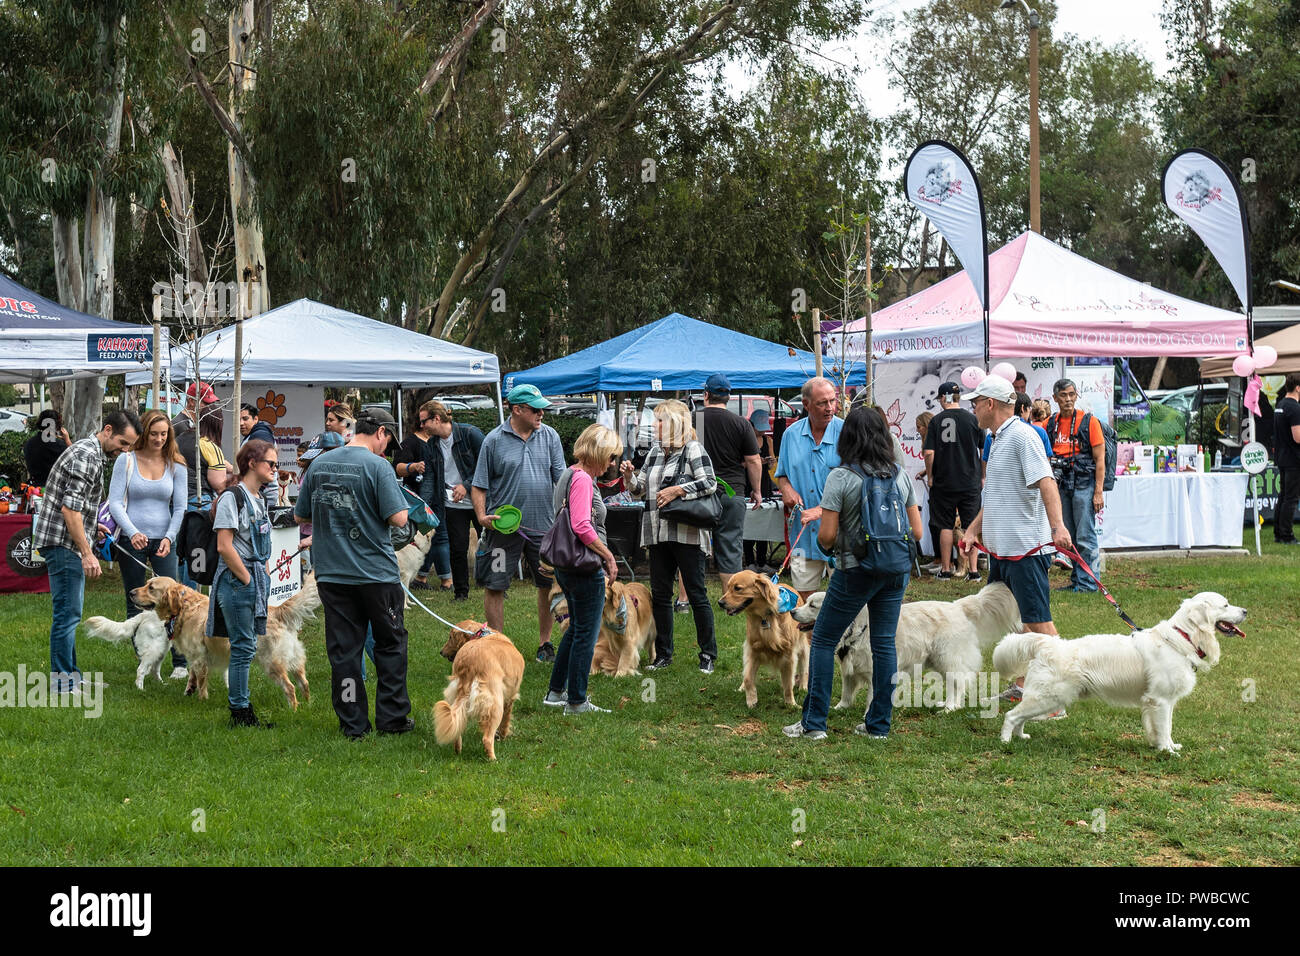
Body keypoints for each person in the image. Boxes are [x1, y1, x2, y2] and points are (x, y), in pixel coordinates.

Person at [783, 406, 924, 740]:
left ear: (846, 438)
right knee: (884, 644)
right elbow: (917, 531)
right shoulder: (899, 475)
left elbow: (827, 536)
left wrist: (832, 552)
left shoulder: (841, 478)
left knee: (822, 640)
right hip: (895, 570)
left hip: (855, 570)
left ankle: (813, 723)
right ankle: (878, 726)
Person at [294, 408, 412, 738]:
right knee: (390, 647)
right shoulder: (378, 467)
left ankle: (353, 724)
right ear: (381, 433)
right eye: (389, 441)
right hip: (376, 574)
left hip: (332, 575)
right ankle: (392, 719)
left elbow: (301, 513)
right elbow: (400, 519)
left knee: (344, 653)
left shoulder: (318, 464)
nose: (388, 449)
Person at [957, 374, 1072, 704]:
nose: (973, 409)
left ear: (990, 404)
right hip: (1003, 553)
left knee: (1040, 627)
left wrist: (1058, 527)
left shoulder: (1023, 437)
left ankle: (1056, 696)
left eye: (976, 403)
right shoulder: (997, 439)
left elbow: (1046, 483)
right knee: (1018, 623)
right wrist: (974, 529)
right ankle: (1025, 685)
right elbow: (993, 496)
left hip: (1025, 551)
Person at [32, 410, 140, 693]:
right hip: (62, 543)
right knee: (67, 614)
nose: (124, 450)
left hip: (64, 539)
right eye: (123, 443)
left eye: (128, 446)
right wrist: (87, 552)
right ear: (107, 430)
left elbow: (78, 507)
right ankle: (62, 682)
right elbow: (70, 510)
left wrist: (94, 529)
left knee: (70, 613)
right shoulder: (87, 456)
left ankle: (73, 676)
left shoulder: (92, 452)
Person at [622, 399, 719, 673]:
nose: (656, 426)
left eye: (661, 421)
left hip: (687, 534)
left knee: (697, 594)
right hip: (657, 532)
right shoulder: (654, 452)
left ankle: (708, 654)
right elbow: (639, 490)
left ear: (676, 423)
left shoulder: (693, 450)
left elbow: (710, 482)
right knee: (661, 595)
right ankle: (663, 655)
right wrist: (630, 477)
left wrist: (678, 490)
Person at [472, 383, 566, 662]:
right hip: (503, 529)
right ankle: (498, 645)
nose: (542, 415)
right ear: (517, 410)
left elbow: (561, 481)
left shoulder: (550, 437)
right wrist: (480, 517)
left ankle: (545, 644)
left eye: (542, 410)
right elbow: (479, 485)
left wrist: (565, 516)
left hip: (544, 530)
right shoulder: (493, 440)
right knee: (496, 583)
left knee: (546, 584)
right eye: (536, 410)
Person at [541, 424, 623, 714]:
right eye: (610, 456)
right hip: (583, 566)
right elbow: (581, 525)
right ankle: (576, 701)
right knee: (586, 634)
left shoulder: (568, 474)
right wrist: (608, 556)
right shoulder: (583, 480)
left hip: (566, 564)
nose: (612, 463)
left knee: (575, 629)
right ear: (597, 451)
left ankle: (555, 692)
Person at [108, 409, 189, 676]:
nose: (158, 439)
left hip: (164, 539)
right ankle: (145, 660)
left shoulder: (176, 464)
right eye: (153, 434)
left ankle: (180, 662)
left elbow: (180, 508)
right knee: (136, 599)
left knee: (174, 601)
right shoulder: (127, 460)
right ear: (144, 433)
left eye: (164, 434)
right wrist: (132, 532)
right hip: (134, 540)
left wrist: (169, 537)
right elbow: (116, 503)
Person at [208, 439, 278, 728]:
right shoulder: (232, 498)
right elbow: (224, 546)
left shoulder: (258, 498)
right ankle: (240, 712)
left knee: (246, 645)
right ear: (252, 463)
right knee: (243, 646)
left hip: (252, 578)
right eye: (270, 463)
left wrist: (262, 571)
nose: (275, 468)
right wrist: (248, 578)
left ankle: (242, 708)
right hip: (237, 581)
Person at [775, 376, 843, 599]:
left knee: (843, 600)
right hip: (802, 537)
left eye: (832, 401)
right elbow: (782, 475)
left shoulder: (847, 433)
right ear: (806, 405)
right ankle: (809, 636)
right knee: (803, 603)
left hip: (840, 537)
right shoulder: (790, 435)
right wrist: (787, 489)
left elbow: (858, 488)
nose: (829, 408)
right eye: (822, 403)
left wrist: (822, 511)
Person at [695, 374, 762, 589]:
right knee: (730, 545)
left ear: (706, 394)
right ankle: (731, 599)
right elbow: (753, 461)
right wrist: (757, 490)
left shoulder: (694, 420)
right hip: (732, 492)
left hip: (697, 491)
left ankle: (686, 599)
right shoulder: (741, 423)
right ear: (728, 398)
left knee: (692, 544)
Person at [1046, 377, 1106, 593]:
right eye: (1063, 396)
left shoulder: (1088, 422)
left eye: (1072, 395)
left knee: (1085, 535)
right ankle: (1077, 581)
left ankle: (1089, 583)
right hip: (1061, 484)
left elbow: (1100, 459)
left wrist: (1098, 492)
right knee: (1068, 535)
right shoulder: (1050, 423)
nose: (1068, 400)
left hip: (1083, 483)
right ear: (1055, 398)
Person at [424, 400, 485, 601]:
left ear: (437, 419)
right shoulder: (431, 445)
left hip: (481, 500)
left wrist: (466, 485)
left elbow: (488, 464)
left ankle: (496, 585)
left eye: (424, 421)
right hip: (452, 504)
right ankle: (461, 593)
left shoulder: (470, 434)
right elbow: (431, 478)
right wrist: (423, 505)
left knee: (491, 545)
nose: (421, 426)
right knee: (458, 549)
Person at [922, 381, 983, 580]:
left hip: (944, 482)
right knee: (971, 526)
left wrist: (930, 476)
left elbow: (929, 453)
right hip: (969, 481)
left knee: (945, 526)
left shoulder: (936, 421)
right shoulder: (973, 419)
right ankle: (973, 571)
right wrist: (982, 475)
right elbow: (984, 451)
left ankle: (946, 569)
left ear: (943, 398)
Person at [394, 401, 452, 593]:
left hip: (438, 498)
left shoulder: (439, 443)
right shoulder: (410, 443)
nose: (422, 425)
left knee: (439, 537)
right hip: (417, 501)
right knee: (419, 540)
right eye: (420, 421)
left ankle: (445, 580)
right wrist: (413, 467)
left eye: (424, 421)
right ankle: (420, 576)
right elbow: (398, 468)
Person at [982, 393, 1053, 474]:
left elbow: (987, 465)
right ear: (1023, 408)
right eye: (1029, 408)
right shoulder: (1039, 432)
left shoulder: (992, 435)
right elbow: (1046, 463)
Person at [743, 409, 777, 571]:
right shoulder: (745, 439)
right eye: (759, 428)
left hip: (764, 484)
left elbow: (772, 463)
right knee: (749, 523)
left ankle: (762, 561)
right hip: (748, 483)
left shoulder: (768, 440)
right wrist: (757, 462)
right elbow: (741, 463)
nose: (762, 431)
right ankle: (749, 560)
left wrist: (769, 462)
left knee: (764, 522)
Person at [1273, 374, 1300, 545]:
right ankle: (1287, 535)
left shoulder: (1280, 405)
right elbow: (1298, 437)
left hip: (1282, 457)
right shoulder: (1295, 408)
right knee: (1291, 498)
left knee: (1283, 496)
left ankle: (1279, 533)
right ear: (1298, 387)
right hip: (1294, 459)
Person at [239, 403, 279, 507]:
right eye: (238, 420)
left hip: (262, 495)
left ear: (255, 419)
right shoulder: (253, 435)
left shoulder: (261, 434)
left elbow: (264, 464)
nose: (241, 423)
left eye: (245, 418)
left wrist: (254, 492)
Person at [23, 408, 71, 487]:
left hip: (34, 488)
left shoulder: (29, 443)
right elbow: (76, 459)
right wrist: (67, 440)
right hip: (54, 488)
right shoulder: (59, 445)